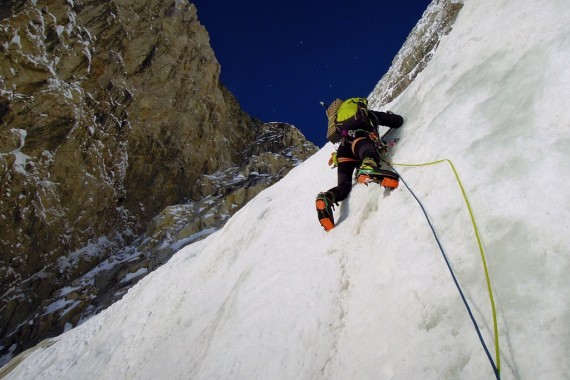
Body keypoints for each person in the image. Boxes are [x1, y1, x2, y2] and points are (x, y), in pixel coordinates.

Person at [315, 98, 404, 231]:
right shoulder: (368, 114)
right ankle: (368, 167)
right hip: (359, 141)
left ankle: (327, 197)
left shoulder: (341, 126)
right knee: (369, 153)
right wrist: (393, 119)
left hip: (344, 151)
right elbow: (397, 121)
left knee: (343, 187)